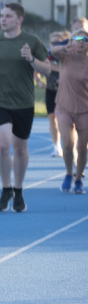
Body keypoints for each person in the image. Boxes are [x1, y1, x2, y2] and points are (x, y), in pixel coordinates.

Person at [0, 2, 49, 212]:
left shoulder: (32, 41)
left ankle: (18, 190)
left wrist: (31, 59)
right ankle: (5, 188)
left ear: (20, 19)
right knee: (2, 146)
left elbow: (47, 69)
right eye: (2, 16)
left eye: (8, 16)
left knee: (20, 149)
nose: (3, 19)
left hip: (24, 102)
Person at [48, 32, 88, 193]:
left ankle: (78, 179)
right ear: (72, 42)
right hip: (63, 106)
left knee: (82, 147)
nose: (81, 43)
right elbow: (52, 50)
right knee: (67, 143)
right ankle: (68, 174)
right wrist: (66, 46)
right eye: (77, 40)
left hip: (84, 109)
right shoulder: (65, 58)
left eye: (84, 40)